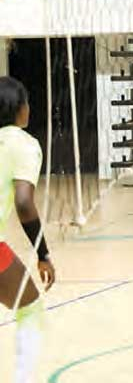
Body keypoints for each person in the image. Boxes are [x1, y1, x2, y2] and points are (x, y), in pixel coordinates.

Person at [0, 76, 56, 383]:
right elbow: (24, 203)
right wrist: (43, 253)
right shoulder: (23, 144)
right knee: (30, 306)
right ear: (19, 109)